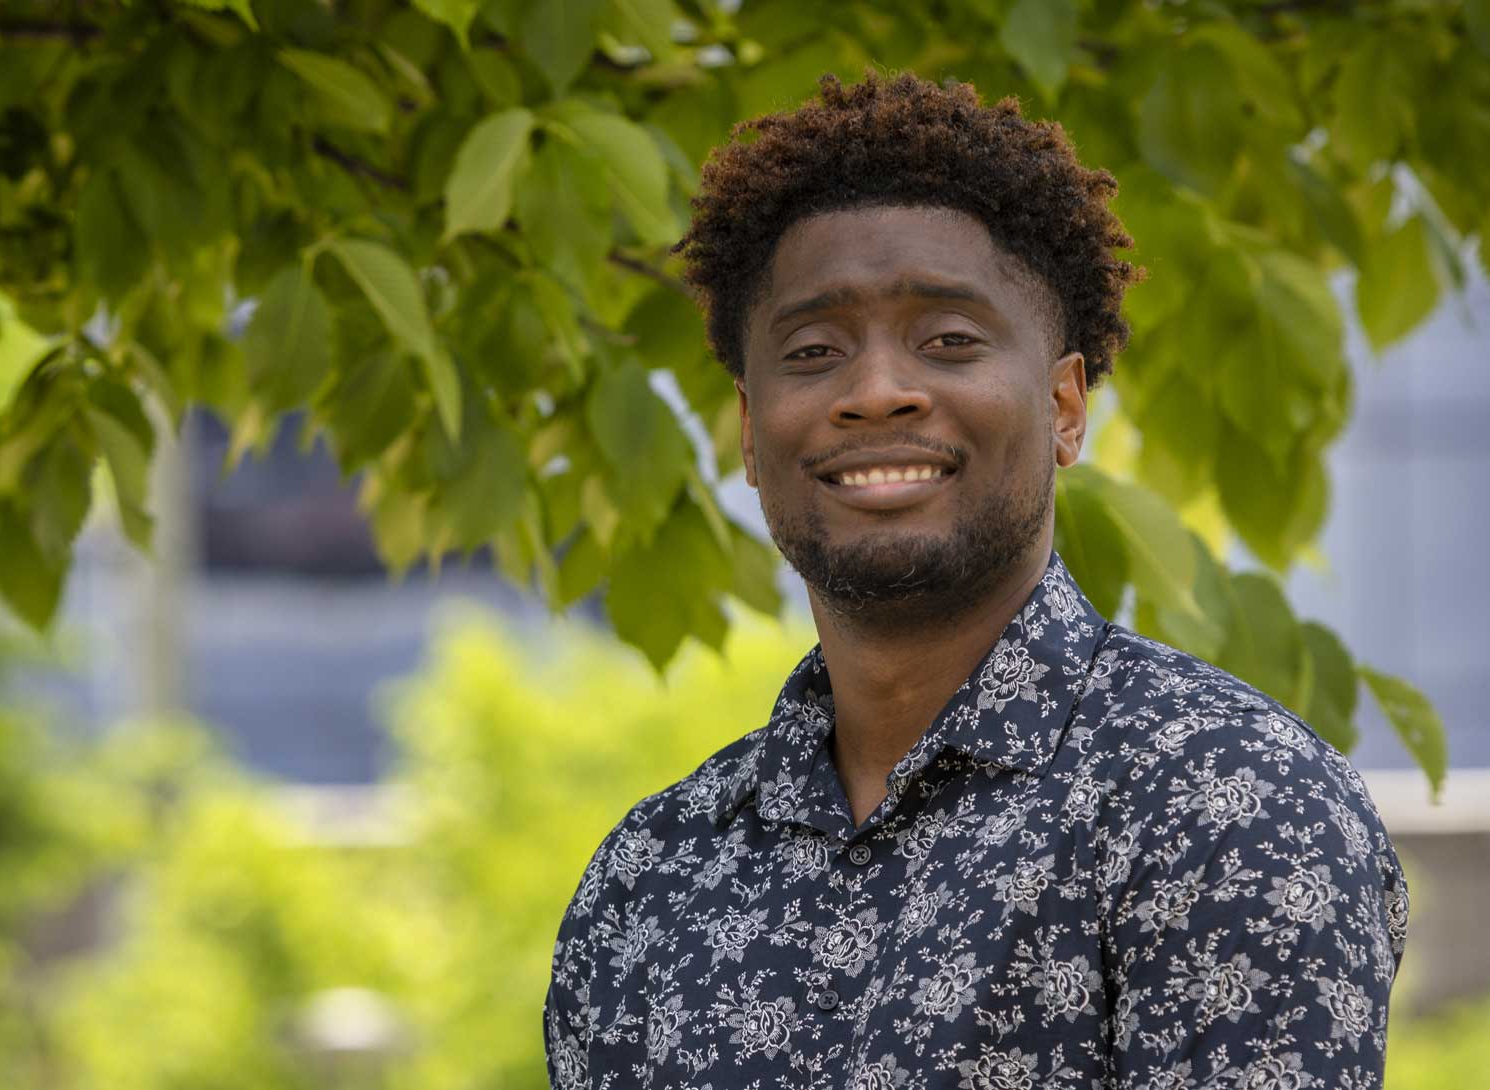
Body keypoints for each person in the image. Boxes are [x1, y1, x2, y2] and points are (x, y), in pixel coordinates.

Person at [544, 72, 1406, 1090]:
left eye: (949, 341)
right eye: (814, 351)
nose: (875, 392)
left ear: (1064, 404)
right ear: (747, 425)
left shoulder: (1225, 805)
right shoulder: (650, 876)